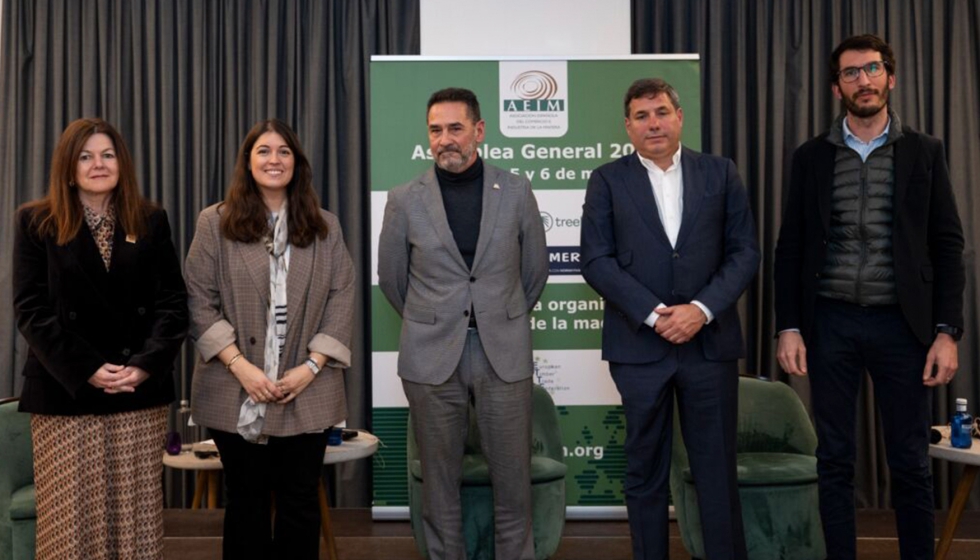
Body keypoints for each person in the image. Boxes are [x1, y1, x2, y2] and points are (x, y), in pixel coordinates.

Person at [774, 34, 965, 560]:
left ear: (891, 77)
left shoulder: (924, 152)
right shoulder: (811, 157)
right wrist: (788, 325)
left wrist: (947, 332)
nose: (865, 80)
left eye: (873, 69)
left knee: (909, 460)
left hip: (903, 327)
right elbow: (789, 246)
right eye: (852, 73)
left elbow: (949, 246)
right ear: (838, 87)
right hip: (830, 322)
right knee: (833, 458)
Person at [580, 78, 759, 560]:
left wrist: (700, 310)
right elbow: (596, 260)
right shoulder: (607, 180)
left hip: (709, 345)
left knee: (716, 472)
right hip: (639, 349)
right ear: (627, 126)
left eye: (661, 112)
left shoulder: (720, 173)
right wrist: (653, 315)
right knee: (644, 471)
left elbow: (744, 253)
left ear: (680, 117)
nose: (653, 123)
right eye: (641, 116)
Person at [378, 87, 548, 560]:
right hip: (431, 357)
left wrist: (501, 316)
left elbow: (534, 272)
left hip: (503, 353)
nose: (445, 139)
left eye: (455, 128)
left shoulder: (516, 190)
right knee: (439, 485)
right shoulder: (403, 199)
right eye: (436, 130)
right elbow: (392, 280)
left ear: (479, 131)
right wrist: (435, 317)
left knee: (513, 484)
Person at [13, 118, 188, 560]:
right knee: (71, 528)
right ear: (68, 167)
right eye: (85, 156)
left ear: (121, 163)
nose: (97, 164)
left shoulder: (151, 220)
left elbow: (173, 304)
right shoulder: (36, 221)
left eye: (107, 155)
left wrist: (145, 364)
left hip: (136, 390)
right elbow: (30, 310)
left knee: (134, 524)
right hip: (65, 391)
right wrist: (87, 368)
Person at [185, 119, 355, 560]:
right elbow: (197, 299)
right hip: (233, 386)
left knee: (300, 504)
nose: (274, 160)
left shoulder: (325, 227)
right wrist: (242, 367)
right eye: (263, 151)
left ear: (297, 163)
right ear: (248, 161)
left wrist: (312, 366)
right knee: (246, 501)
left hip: (308, 388)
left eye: (284, 151)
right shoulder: (215, 222)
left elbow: (342, 296)